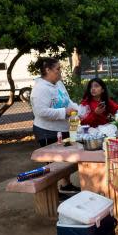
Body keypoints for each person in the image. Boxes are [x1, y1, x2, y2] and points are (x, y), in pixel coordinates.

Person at [30, 57, 81, 194]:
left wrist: (79, 110)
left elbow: (67, 101)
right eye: (58, 69)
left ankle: (66, 184)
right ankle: (53, 193)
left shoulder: (59, 84)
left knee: (64, 159)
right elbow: (40, 112)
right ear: (48, 70)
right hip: (47, 131)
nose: (60, 72)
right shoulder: (40, 89)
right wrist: (64, 112)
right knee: (52, 162)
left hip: (62, 128)